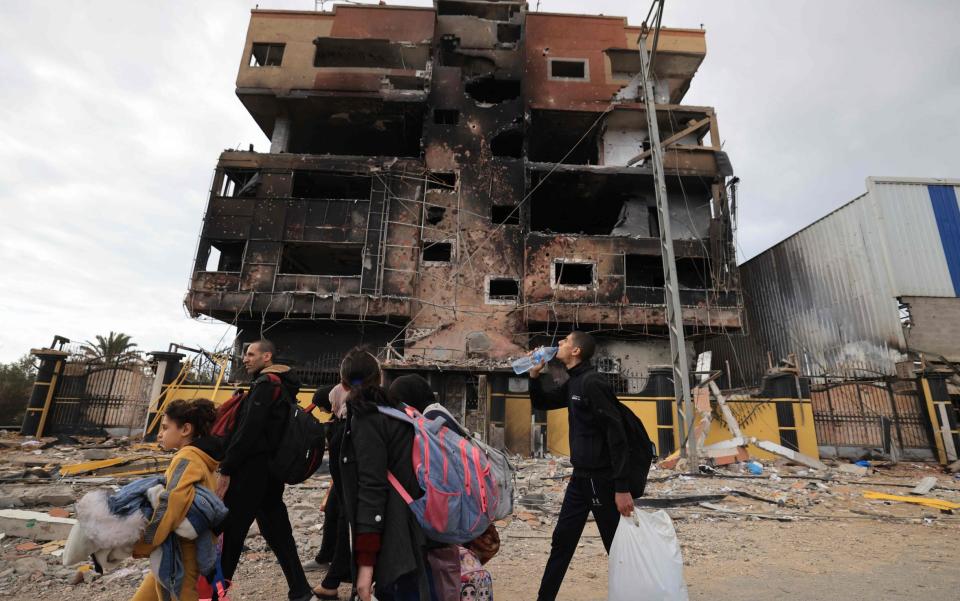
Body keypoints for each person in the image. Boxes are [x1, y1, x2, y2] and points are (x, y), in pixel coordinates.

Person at [528, 331, 640, 601]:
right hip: (580, 480)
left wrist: (622, 488)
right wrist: (533, 375)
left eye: (565, 341)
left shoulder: (592, 383)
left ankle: (637, 593)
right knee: (562, 541)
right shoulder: (573, 382)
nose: (560, 345)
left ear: (576, 351)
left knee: (616, 547)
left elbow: (617, 435)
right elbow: (542, 402)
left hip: (602, 481)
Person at [215, 340, 313, 601]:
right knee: (278, 531)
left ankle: (216, 594)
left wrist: (227, 467)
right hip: (272, 470)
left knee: (233, 533)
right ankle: (300, 588)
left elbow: (249, 430)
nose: (245, 359)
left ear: (267, 356)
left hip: (251, 471)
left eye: (251, 354)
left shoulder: (265, 385)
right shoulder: (284, 385)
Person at [338, 348, 432, 601]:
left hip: (395, 541)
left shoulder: (367, 418)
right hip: (418, 527)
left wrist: (366, 565)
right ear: (380, 377)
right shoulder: (399, 410)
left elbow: (372, 487)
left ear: (344, 383)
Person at [131, 399, 222, 601]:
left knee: (181, 593)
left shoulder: (186, 458)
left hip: (181, 552)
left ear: (185, 429)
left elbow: (170, 505)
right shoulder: (203, 457)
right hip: (181, 548)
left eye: (165, 427)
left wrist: (144, 544)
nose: (160, 434)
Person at [309, 383, 353, 600]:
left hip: (351, 486)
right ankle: (327, 558)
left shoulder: (349, 423)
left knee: (345, 524)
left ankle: (334, 578)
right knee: (333, 513)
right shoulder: (341, 421)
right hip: (342, 483)